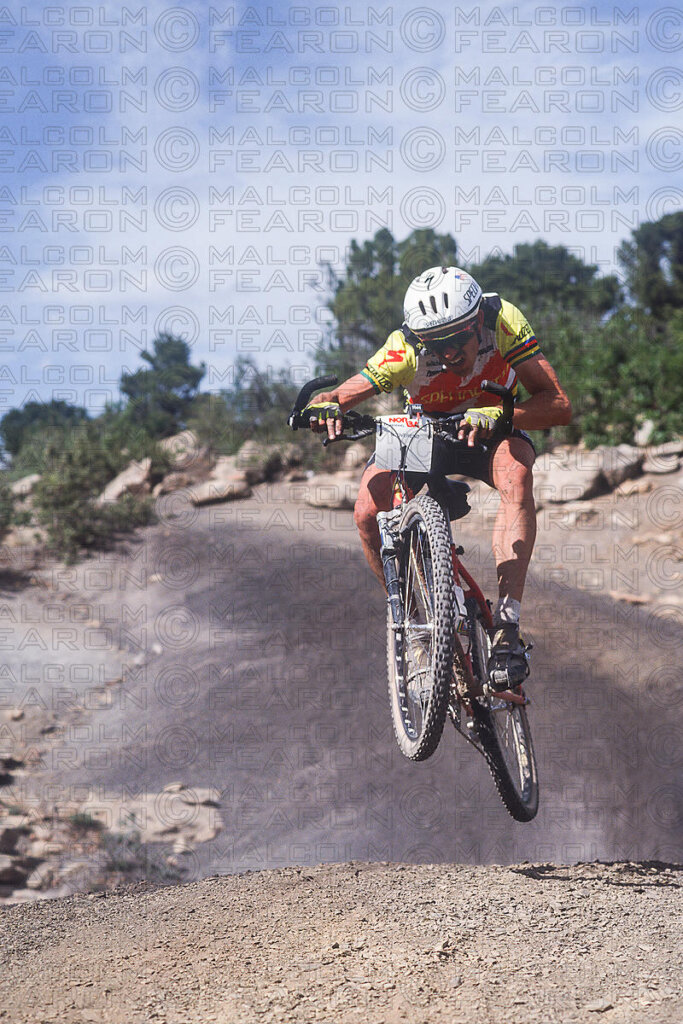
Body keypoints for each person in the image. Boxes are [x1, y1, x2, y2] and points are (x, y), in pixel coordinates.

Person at [305, 266, 572, 691]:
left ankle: (506, 629)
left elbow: (558, 404)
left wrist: (500, 415)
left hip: (489, 425)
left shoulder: (503, 321)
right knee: (366, 513)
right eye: (436, 343)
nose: (448, 352)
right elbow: (348, 390)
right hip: (425, 430)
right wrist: (326, 405)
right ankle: (414, 626)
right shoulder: (406, 346)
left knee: (518, 476)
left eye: (456, 338)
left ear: (477, 320)